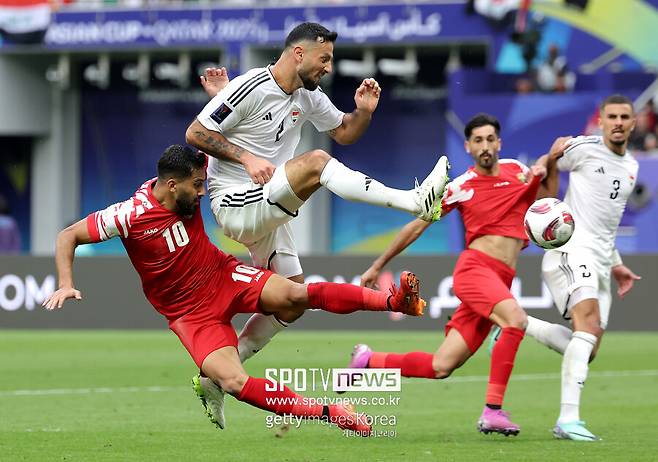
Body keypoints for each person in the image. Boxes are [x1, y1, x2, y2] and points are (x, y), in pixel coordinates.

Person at [42, 145, 427, 435]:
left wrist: (222, 94)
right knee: (234, 382)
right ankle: (332, 413)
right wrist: (66, 284)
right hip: (191, 315)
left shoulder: (186, 183)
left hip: (221, 275)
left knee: (295, 298)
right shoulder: (128, 215)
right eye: (197, 187)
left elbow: (219, 138)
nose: (203, 193)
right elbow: (68, 235)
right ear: (172, 185)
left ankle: (394, 301)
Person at [185, 22, 449, 424]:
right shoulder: (252, 85)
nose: (328, 67)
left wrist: (362, 112)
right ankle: (412, 201)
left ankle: (218, 375)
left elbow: (344, 133)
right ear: (298, 54)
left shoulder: (308, 97)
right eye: (323, 58)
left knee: (291, 302)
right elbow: (196, 132)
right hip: (235, 201)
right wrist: (247, 159)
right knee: (316, 164)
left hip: (265, 205)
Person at [347, 113, 569, 436]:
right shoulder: (460, 187)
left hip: (500, 280)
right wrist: (378, 265)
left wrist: (551, 161)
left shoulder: (518, 172)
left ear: (499, 142)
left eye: (490, 139)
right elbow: (417, 225)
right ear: (468, 146)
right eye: (478, 141)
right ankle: (493, 410)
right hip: (475, 271)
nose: (485, 146)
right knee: (515, 321)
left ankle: (368, 360)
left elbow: (547, 199)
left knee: (441, 366)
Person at [495, 94, 641, 441]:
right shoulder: (586, 148)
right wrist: (548, 159)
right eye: (612, 117)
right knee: (587, 324)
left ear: (634, 123)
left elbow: (606, 224)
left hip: (602, 260)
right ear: (601, 121)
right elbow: (552, 157)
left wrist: (617, 265)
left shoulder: (632, 167)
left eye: (624, 117)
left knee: (587, 348)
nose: (618, 122)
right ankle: (568, 420)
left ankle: (517, 321)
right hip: (571, 249)